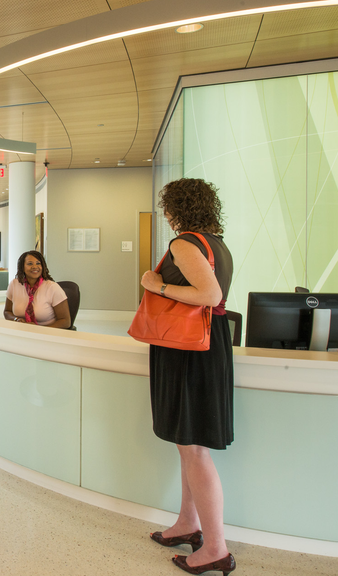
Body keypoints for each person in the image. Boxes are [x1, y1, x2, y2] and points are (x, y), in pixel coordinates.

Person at [140, 178, 236, 576]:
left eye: (167, 207)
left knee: (194, 448)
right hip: (202, 347)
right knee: (188, 444)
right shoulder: (217, 243)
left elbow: (210, 296)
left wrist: (155, 283)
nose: (165, 214)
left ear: (176, 208)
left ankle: (215, 548)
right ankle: (187, 524)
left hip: (189, 352)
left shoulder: (185, 243)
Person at [3, 250, 70, 329]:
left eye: (38, 263)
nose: (35, 266)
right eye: (30, 263)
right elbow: (7, 312)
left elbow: (66, 321)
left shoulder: (52, 288)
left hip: (47, 333)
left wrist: (39, 330)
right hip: (21, 331)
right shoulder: (14, 284)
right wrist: (16, 319)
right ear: (22, 267)